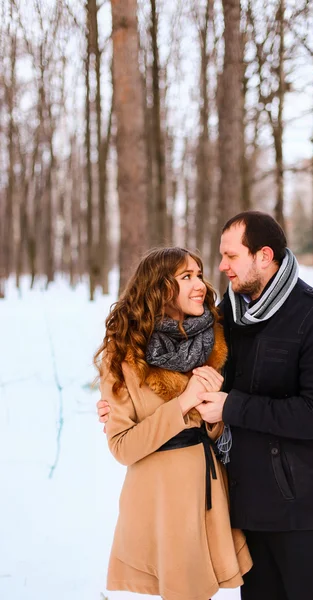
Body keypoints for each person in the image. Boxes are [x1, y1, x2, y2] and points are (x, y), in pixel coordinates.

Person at [98, 211, 313, 600]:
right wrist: (116, 406)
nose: (220, 269)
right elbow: (171, 378)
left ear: (263, 256)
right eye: (214, 261)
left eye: (230, 257)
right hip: (245, 504)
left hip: (304, 507)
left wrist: (230, 408)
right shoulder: (223, 323)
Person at [94, 247, 252, 600]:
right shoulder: (123, 356)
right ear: (159, 289)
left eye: (198, 274)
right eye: (186, 277)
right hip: (160, 499)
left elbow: (216, 427)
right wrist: (184, 402)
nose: (200, 284)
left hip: (208, 492)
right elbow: (122, 447)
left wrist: (214, 416)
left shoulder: (215, 341)